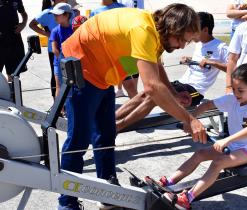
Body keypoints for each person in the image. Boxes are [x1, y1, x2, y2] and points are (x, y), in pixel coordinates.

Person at [58, 4, 206, 210]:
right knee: (78, 140)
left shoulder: (156, 31)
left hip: (102, 74)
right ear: (172, 28)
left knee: (106, 135)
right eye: (182, 39)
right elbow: (152, 87)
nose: (182, 46)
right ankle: (67, 202)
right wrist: (189, 120)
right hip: (81, 67)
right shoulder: (143, 30)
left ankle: (108, 191)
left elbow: (156, 64)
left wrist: (172, 92)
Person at [151, 64, 247, 210]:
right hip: (233, 146)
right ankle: (168, 182)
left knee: (218, 162)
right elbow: (207, 105)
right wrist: (191, 120)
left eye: (240, 90)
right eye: (233, 89)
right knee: (199, 153)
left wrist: (227, 140)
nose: (236, 93)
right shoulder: (233, 99)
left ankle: (188, 198)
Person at [115, 12, 229, 132]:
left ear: (205, 30)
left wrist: (213, 63)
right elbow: (199, 62)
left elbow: (233, 68)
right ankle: (111, 121)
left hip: (195, 91)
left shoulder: (221, 47)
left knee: (154, 98)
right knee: (145, 94)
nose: (192, 34)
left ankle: (117, 127)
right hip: (181, 83)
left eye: (195, 30)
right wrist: (190, 60)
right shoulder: (199, 45)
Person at [115, 0, 144, 98]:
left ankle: (134, 91)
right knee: (121, 63)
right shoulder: (121, 2)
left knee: (135, 63)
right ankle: (119, 89)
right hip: (123, 31)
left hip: (135, 31)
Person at [49, 3, 74, 118]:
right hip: (60, 63)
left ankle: (71, 107)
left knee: (72, 86)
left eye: (57, 15)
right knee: (59, 86)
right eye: (54, 15)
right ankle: (60, 109)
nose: (55, 17)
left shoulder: (74, 29)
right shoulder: (55, 30)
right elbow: (54, 49)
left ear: (66, 15)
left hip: (73, 63)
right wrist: (63, 60)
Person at [0, 0, 28, 82]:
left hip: (14, 40)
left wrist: (23, 24)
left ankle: (14, 94)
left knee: (14, 74)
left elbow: (24, 14)